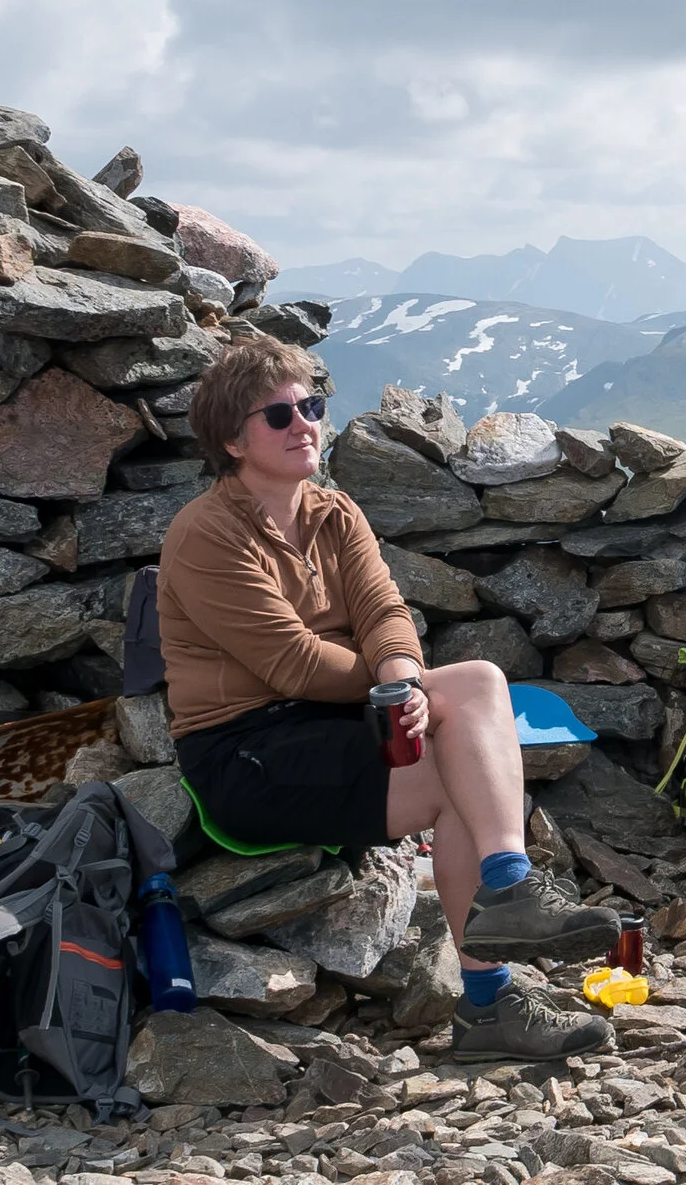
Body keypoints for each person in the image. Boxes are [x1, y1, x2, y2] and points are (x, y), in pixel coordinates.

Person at [156, 335, 619, 1062]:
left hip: (334, 723)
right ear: (230, 440)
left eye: (310, 405)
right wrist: (389, 689)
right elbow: (289, 662)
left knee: (472, 707)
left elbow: (385, 614)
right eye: (277, 415)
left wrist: (400, 677)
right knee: (467, 718)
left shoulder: (333, 513)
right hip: (247, 754)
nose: (303, 422)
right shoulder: (205, 534)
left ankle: (502, 927)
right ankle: (496, 967)